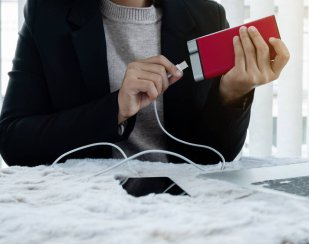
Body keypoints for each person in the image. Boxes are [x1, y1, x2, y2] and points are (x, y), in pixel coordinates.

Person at [0, 0, 289, 167]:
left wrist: (232, 93)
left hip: (183, 210)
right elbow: (13, 141)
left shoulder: (204, 15)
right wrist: (115, 109)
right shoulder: (48, 13)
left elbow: (212, 156)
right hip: (90, 207)